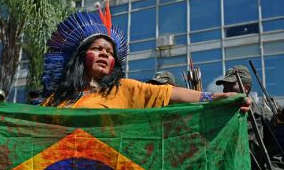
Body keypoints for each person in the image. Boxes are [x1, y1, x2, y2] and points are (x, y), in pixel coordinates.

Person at [42, 9, 250, 111]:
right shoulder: (54, 100)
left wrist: (219, 98)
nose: (105, 54)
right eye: (97, 49)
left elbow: (171, 93)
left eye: (110, 52)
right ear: (80, 57)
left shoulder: (122, 89)